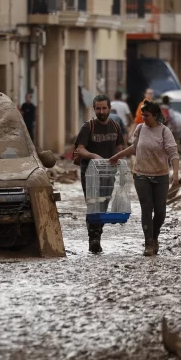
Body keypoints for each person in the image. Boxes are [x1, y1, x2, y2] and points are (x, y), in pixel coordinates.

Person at [109, 100, 179, 256]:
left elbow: (173, 154)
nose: (143, 118)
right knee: (146, 209)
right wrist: (117, 156)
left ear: (155, 115)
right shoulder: (140, 129)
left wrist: (175, 174)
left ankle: (154, 237)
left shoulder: (164, 132)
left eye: (146, 115)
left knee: (160, 211)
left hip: (161, 176)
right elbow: (134, 148)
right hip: (141, 175)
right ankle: (148, 243)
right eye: (142, 115)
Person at [74, 94, 124, 254]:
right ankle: (93, 239)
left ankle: (97, 236)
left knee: (103, 204)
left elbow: (119, 147)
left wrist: (118, 160)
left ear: (109, 108)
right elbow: (79, 149)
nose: (101, 111)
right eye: (98, 108)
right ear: (94, 109)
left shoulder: (116, 126)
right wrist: (94, 156)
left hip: (108, 172)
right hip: (89, 172)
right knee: (93, 204)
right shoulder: (88, 127)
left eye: (104, 108)